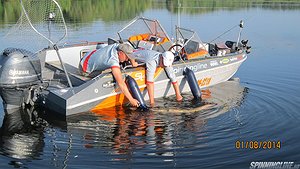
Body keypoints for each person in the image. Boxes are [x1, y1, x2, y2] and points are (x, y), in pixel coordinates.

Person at [79, 43, 139, 107]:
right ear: (120, 53)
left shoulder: (117, 45)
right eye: (127, 57)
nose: (127, 60)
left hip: (88, 56)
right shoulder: (112, 61)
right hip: (84, 69)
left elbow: (128, 50)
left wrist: (133, 62)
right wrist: (131, 100)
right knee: (117, 74)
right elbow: (121, 83)